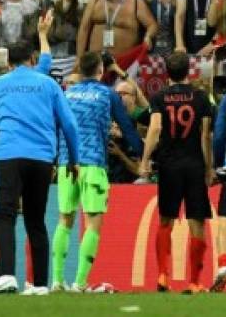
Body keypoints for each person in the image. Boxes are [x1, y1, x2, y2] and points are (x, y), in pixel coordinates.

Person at [0, 18, 81, 295]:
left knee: (4, 215)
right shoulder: (48, 84)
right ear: (33, 59)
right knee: (36, 219)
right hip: (42, 158)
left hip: (8, 155)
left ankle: (7, 275)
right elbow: (69, 124)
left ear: (9, 62)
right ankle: (41, 284)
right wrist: (73, 159)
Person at [50, 51, 142, 292]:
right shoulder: (107, 94)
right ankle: (79, 282)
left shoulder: (67, 94)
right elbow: (126, 127)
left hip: (66, 164)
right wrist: (143, 151)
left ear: (79, 70)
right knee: (93, 223)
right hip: (93, 163)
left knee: (64, 219)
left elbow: (55, 126)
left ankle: (58, 281)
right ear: (101, 70)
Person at [139, 52, 214, 294]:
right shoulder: (201, 98)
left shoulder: (159, 97)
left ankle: (162, 276)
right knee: (197, 222)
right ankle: (194, 281)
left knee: (165, 221)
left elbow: (156, 127)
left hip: (169, 166)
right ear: (188, 72)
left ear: (166, 73)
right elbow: (205, 135)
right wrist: (209, 167)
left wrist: (144, 160)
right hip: (193, 165)